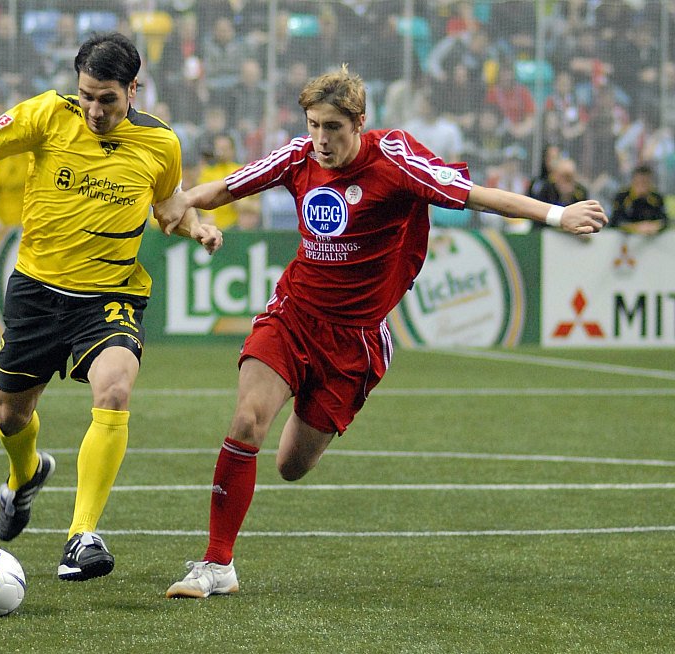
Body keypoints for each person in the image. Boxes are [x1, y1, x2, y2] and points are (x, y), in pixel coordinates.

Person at [154, 64, 607, 599]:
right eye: (313, 125)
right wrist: (185, 203)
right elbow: (227, 187)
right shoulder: (299, 156)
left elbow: (477, 195)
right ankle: (217, 564)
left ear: (359, 123)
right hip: (293, 316)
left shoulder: (395, 161)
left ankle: (313, 401)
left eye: (333, 127)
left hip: (355, 340)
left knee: (291, 466)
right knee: (248, 419)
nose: (321, 139)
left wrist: (557, 216)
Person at [0, 32, 222, 582]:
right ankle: (25, 474)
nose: (95, 110)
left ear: (133, 89)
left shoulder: (160, 143)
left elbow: (169, 207)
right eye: (87, 96)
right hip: (37, 291)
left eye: (108, 99)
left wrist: (196, 227)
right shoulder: (47, 115)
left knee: (115, 389)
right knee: (10, 414)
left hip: (110, 295)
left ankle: (82, 536)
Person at [610, 164, 669, 235]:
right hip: (626, 238)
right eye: (638, 182)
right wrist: (637, 227)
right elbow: (615, 221)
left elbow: (665, 220)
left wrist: (654, 226)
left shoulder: (656, 197)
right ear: (633, 181)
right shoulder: (622, 197)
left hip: (652, 238)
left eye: (645, 183)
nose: (642, 186)